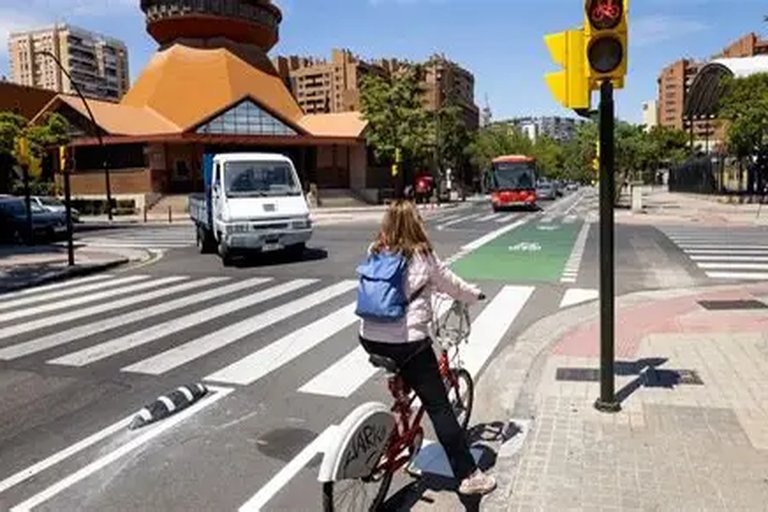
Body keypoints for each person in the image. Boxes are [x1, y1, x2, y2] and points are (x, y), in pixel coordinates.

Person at [358, 200, 497, 496]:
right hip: (407, 342)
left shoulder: (374, 250)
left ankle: (399, 402)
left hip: (369, 337)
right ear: (416, 222)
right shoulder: (423, 255)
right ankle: (469, 476)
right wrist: (475, 295)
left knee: (406, 369)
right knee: (439, 408)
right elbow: (451, 285)